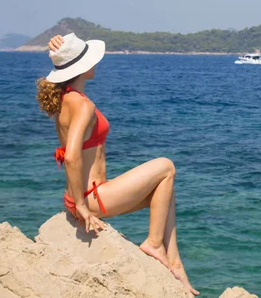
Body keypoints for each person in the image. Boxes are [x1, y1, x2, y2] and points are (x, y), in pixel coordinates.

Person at [36, 33, 199, 295]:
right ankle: (154, 244)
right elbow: (71, 155)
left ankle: (176, 264)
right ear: (83, 67)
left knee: (165, 192)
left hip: (89, 194)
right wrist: (81, 206)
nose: (95, 63)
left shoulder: (65, 97)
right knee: (166, 166)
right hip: (91, 197)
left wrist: (59, 47)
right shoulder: (83, 105)